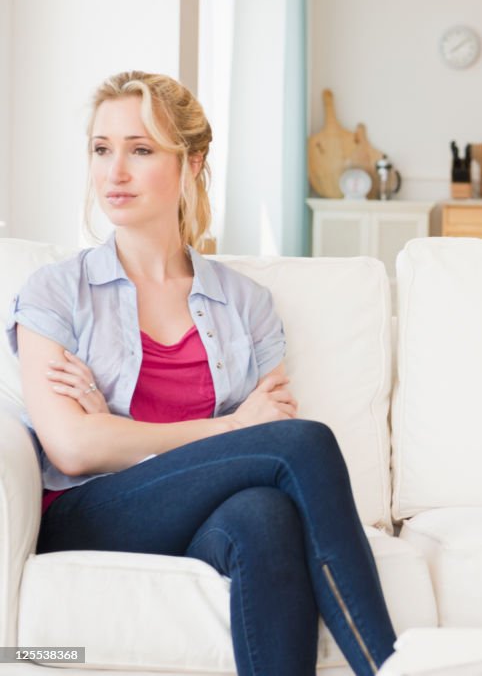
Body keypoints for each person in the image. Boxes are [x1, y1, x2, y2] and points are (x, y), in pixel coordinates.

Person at [6, 71, 397, 674]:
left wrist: (119, 428)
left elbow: (257, 441)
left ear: (191, 164)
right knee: (304, 444)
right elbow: (75, 448)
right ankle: (390, 666)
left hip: (198, 513)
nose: (115, 172)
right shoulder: (58, 292)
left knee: (264, 515)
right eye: (102, 149)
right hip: (90, 513)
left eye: (140, 150)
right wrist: (228, 428)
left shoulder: (246, 305)